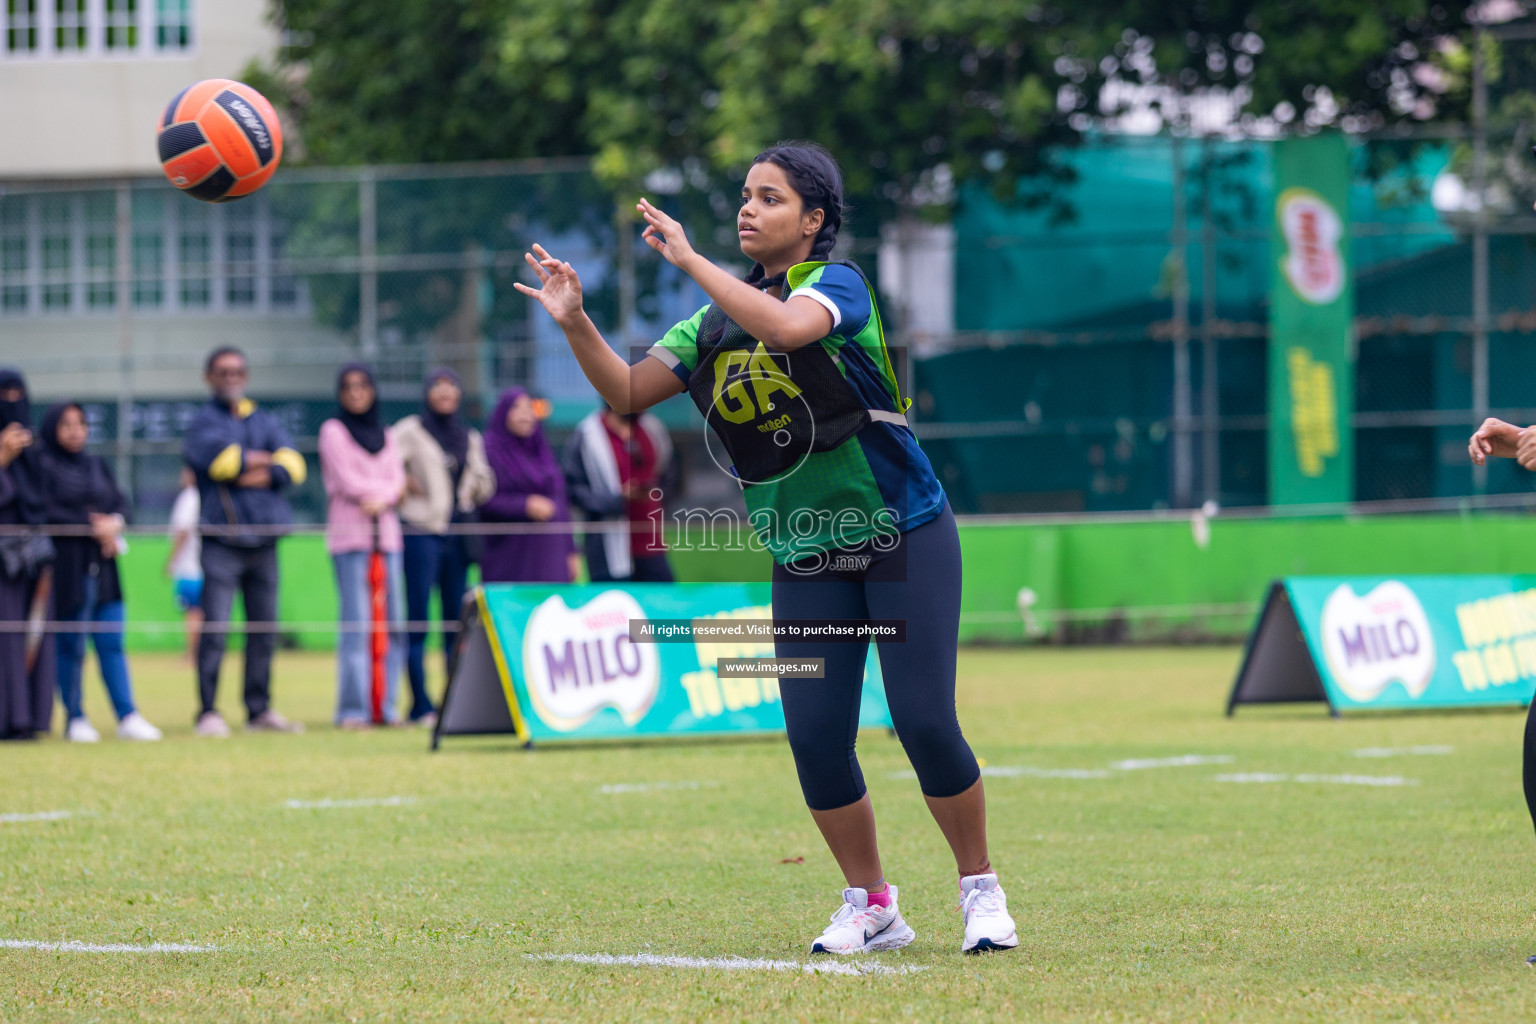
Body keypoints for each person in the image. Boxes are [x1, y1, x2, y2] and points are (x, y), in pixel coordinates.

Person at [514, 143, 1017, 955]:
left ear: (813, 221)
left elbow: (785, 326)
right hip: (806, 554)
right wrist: (575, 321)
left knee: (923, 720)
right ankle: (873, 904)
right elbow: (627, 392)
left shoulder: (837, 285)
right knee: (816, 735)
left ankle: (980, 890)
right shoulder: (709, 321)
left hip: (902, 535)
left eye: (771, 199)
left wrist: (689, 257)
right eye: (746, 196)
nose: (749, 209)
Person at [183, 346, 307, 737]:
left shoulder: (264, 419)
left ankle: (259, 711)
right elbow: (221, 464)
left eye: (237, 371)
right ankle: (208, 712)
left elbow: (294, 466)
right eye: (222, 371)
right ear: (209, 377)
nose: (230, 377)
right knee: (216, 629)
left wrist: (247, 466)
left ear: (246, 375)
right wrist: (264, 464)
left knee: (264, 630)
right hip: (222, 542)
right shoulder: (203, 423)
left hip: (265, 541)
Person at [35, 404, 161, 743]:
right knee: (71, 646)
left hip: (104, 567)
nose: (76, 431)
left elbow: (121, 504)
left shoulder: (95, 465)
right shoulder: (42, 466)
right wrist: (91, 526)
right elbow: (46, 511)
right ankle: (75, 716)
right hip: (67, 570)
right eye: (66, 424)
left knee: (111, 642)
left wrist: (113, 524)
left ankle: (127, 715)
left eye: (81, 424)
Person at [394, 368, 494, 726]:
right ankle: (420, 704)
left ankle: (452, 703)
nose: (445, 394)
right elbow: (386, 464)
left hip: (459, 534)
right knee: (418, 620)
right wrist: (404, 482)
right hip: (422, 531)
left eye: (452, 388)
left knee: (455, 622)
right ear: (427, 393)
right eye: (438, 387)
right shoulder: (410, 430)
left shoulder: (468, 435)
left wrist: (473, 488)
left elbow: (484, 479)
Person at [319, 363, 407, 729]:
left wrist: (384, 498)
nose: (356, 393)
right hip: (350, 538)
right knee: (356, 626)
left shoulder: (387, 434)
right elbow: (346, 478)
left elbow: (398, 479)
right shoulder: (333, 431)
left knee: (395, 624)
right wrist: (380, 494)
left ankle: (386, 707)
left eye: (363, 386)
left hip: (386, 539)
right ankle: (353, 710)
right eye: (348, 387)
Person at [562, 401, 676, 582]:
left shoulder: (652, 428)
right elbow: (573, 490)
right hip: (607, 545)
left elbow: (668, 475)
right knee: (613, 603)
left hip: (650, 539)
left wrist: (654, 494)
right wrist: (617, 499)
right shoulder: (588, 434)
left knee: (661, 601)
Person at [0, 368, 54, 741]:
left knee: (36, 636)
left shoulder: (38, 452)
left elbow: (50, 498)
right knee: (5, 639)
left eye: (19, 393)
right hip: (1, 563)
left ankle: (31, 718)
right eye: (5, 395)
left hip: (35, 557)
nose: (13, 402)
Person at [479, 387, 578, 584]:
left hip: (551, 553)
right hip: (510, 555)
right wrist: (524, 505)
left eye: (529, 407)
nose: (525, 413)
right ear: (502, 413)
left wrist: (571, 551)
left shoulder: (542, 450)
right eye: (516, 407)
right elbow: (481, 500)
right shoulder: (489, 450)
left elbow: (561, 501)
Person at [165, 465, 204, 663]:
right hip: (204, 566)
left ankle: (192, 655)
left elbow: (183, 531)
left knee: (193, 613)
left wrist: (172, 560)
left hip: (190, 567)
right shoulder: (206, 495)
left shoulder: (189, 496)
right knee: (201, 612)